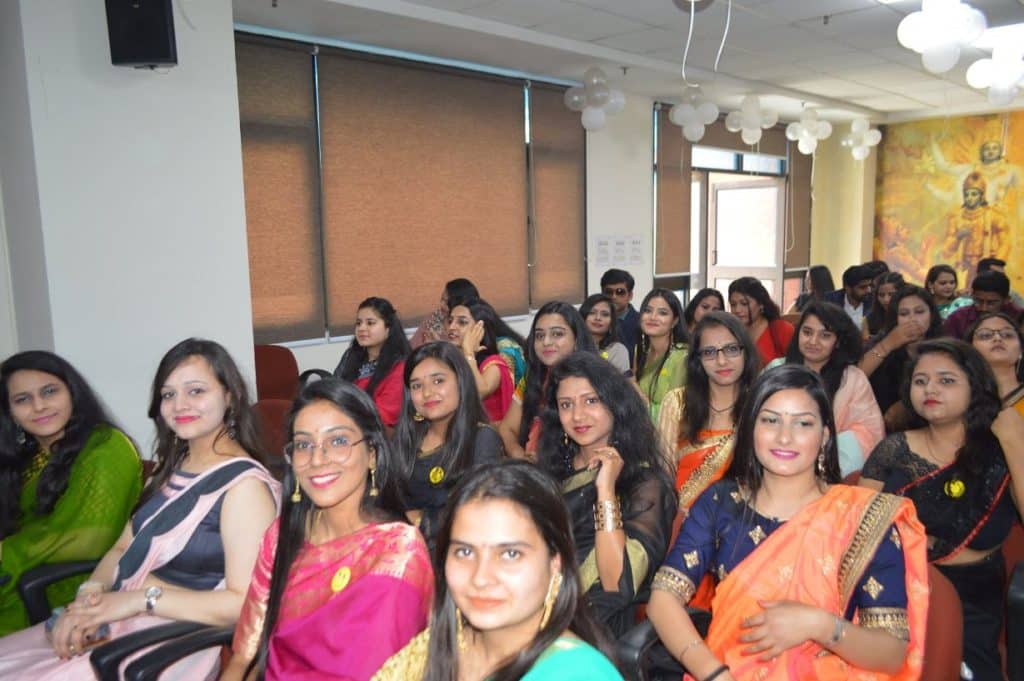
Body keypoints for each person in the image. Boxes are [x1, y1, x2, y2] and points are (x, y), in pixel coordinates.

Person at [0, 338, 280, 680]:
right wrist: (88, 598)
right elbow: (121, 547)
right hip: (120, 617)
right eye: (168, 394)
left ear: (230, 396)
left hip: (168, 641)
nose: (179, 404)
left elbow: (244, 604)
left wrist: (139, 600)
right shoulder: (174, 465)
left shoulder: (244, 488)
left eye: (196, 391)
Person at [648, 365, 929, 681]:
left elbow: (891, 655)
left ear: (824, 437)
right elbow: (663, 598)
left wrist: (819, 625)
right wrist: (713, 673)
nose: (784, 437)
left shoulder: (861, 517)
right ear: (750, 429)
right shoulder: (720, 502)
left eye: (803, 423)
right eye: (770, 420)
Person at [223, 378, 432, 681]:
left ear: (372, 453)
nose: (317, 460)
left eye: (338, 441)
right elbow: (244, 654)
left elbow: (380, 671)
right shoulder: (283, 535)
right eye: (304, 445)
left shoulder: (397, 552)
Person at [861, 339, 1024, 681]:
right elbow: (858, 533)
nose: (930, 389)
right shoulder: (892, 451)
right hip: (897, 590)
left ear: (975, 387)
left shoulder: (1000, 450)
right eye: (920, 381)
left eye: (946, 380)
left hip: (974, 600)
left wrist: (1014, 440)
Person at [372, 460, 622, 681]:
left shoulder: (578, 673)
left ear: (555, 562)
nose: (481, 578)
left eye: (510, 554)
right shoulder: (437, 647)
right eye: (465, 552)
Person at [0, 352, 142, 635]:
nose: (39, 406)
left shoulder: (106, 447)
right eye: (22, 399)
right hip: (27, 570)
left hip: (76, 585)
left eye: (49, 391)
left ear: (72, 393)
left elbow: (89, 537)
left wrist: (7, 551)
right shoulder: (29, 456)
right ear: (10, 411)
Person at [538, 351, 675, 636]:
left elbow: (618, 584)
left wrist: (606, 489)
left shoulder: (646, 483)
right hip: (534, 609)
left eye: (591, 401)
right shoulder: (550, 475)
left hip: (596, 626)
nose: (578, 415)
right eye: (566, 405)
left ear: (615, 404)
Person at [392, 342, 504, 547]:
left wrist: (419, 520)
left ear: (461, 382)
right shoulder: (406, 440)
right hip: (407, 551)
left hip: (461, 551)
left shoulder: (482, 438)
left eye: (438, 381)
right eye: (416, 386)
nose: (427, 393)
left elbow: (481, 510)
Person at [769, 302, 884, 477]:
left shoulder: (852, 379)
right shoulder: (776, 369)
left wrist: (821, 460)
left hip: (830, 469)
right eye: (807, 332)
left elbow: (868, 431)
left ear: (838, 342)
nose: (813, 341)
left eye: (825, 335)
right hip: (775, 457)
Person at [497, 302, 596, 460]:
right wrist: (520, 456)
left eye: (557, 334)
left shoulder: (593, 381)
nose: (546, 342)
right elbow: (507, 428)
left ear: (576, 339)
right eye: (540, 336)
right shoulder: (534, 378)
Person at [859, 285, 944, 426]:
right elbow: (855, 376)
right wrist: (888, 344)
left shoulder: (945, 346)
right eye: (904, 314)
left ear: (932, 315)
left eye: (919, 312)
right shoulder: (882, 342)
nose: (912, 319)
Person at [334, 297, 411, 429]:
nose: (361, 328)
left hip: (373, 432)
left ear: (388, 328)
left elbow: (382, 417)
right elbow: (333, 390)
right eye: (358, 323)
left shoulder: (399, 367)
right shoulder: (351, 356)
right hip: (339, 423)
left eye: (370, 323)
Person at [446, 298, 515, 422]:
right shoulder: (451, 362)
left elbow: (479, 392)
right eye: (450, 321)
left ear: (480, 329)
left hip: (490, 432)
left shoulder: (493, 364)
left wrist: (469, 353)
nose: (451, 327)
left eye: (462, 322)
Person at [635, 289, 689, 424]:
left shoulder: (682, 356)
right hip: (642, 429)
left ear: (674, 321)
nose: (653, 317)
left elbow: (675, 412)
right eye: (647, 311)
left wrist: (635, 391)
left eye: (662, 313)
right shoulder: (640, 350)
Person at [728, 277, 793, 368]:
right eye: (733, 305)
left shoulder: (781, 329)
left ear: (761, 304)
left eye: (744, 303)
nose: (737, 310)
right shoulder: (730, 333)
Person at [966, 312, 1024, 413]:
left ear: (1021, 351)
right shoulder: (962, 402)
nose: (997, 338)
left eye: (1007, 335)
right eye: (985, 335)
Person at [943, 270, 1023, 340]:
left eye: (991, 303)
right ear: (972, 295)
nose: (983, 308)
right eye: (978, 301)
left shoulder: (1020, 317)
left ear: (1006, 300)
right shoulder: (958, 318)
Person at [410, 278, 479, 348]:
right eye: (442, 299)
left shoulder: (472, 328)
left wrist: (438, 347)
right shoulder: (434, 318)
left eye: (447, 303)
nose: (442, 305)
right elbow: (412, 347)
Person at [579, 294, 630, 375]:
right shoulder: (572, 345)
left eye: (605, 314)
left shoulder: (617, 350)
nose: (598, 318)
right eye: (592, 313)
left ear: (611, 321)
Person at [600, 269, 640, 360]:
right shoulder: (593, 321)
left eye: (620, 292)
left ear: (630, 295)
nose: (614, 296)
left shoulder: (642, 322)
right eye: (609, 292)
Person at [824, 264, 873, 331]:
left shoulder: (874, 301)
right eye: (863, 287)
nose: (869, 290)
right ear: (848, 288)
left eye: (870, 285)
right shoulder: (830, 300)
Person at [861, 271, 905, 339]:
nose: (886, 300)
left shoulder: (912, 315)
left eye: (891, 294)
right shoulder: (869, 320)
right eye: (881, 295)